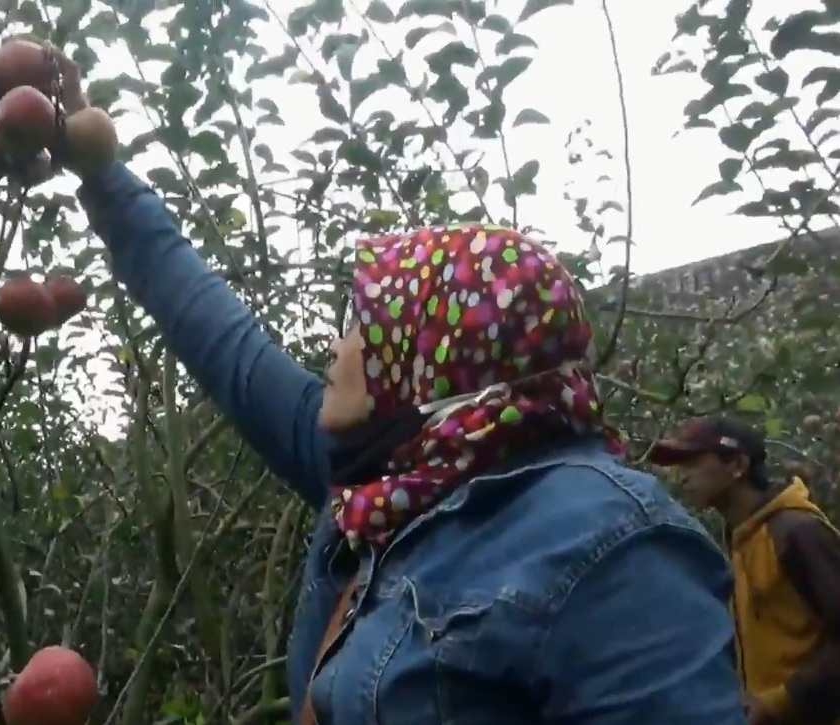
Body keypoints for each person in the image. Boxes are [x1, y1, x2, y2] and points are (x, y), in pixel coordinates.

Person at [54, 55, 743, 724]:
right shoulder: (387, 481)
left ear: (437, 354)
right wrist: (99, 174)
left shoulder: (614, 544)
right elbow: (212, 328)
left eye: (362, 322)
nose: (337, 346)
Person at [649, 417, 840, 725]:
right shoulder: (742, 538)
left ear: (736, 464)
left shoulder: (796, 532)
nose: (682, 476)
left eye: (692, 462)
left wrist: (782, 701)